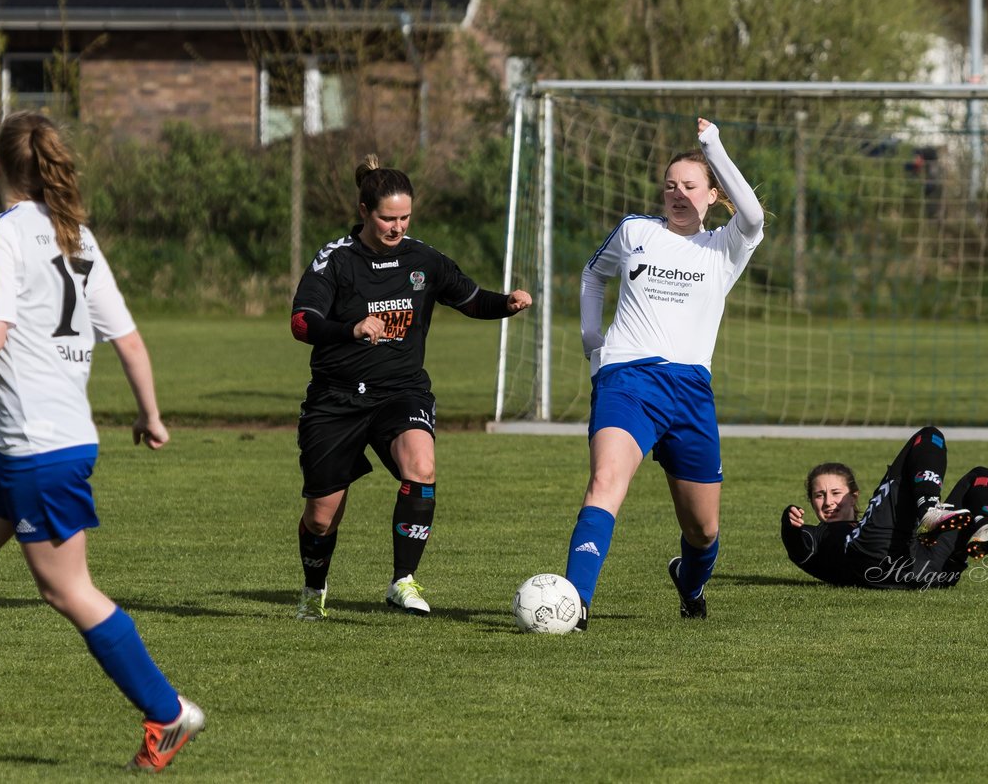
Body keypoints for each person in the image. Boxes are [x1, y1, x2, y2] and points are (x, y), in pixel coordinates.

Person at [0, 111, 204, 771]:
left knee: (68, 591)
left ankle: (167, 713)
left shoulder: (4, 233)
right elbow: (129, 340)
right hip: (41, 441)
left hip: (34, 448)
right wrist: (152, 415)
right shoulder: (75, 236)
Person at [290, 154, 531, 620]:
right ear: (364, 211)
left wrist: (507, 303)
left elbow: (471, 298)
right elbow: (303, 322)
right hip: (336, 398)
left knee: (421, 466)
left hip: (401, 390)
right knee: (322, 515)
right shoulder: (336, 260)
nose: (397, 226)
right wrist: (351, 329)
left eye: (404, 217)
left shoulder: (423, 259)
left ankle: (403, 581)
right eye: (387, 218)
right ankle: (313, 590)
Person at [562, 117, 764, 630]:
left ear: (714, 194)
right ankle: (575, 604)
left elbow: (756, 214)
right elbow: (593, 274)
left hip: (691, 391)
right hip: (627, 378)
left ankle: (690, 581)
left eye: (689, 186)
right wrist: (592, 340)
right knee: (606, 481)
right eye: (670, 185)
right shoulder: (636, 232)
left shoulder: (724, 247)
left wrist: (712, 146)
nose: (677, 193)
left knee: (703, 529)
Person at [781, 426, 988, 589]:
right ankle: (929, 509)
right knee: (929, 436)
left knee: (982, 477)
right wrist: (789, 524)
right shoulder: (817, 535)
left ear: (854, 497)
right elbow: (798, 547)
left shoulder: (876, 517)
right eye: (818, 495)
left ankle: (984, 529)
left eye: (835, 493)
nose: (828, 502)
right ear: (811, 500)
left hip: (929, 571)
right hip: (868, 556)